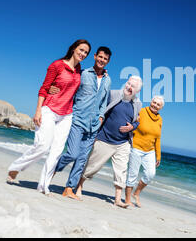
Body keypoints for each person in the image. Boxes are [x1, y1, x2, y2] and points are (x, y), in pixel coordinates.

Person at [6, 39, 91, 195]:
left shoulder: (80, 70)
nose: (83, 54)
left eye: (86, 52)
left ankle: (44, 185)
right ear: (73, 49)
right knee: (43, 145)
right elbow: (44, 88)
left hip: (66, 114)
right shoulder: (57, 65)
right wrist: (38, 110)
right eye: (81, 50)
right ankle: (15, 168)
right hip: (49, 109)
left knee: (57, 151)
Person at [53, 46, 112, 200]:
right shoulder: (84, 74)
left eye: (105, 59)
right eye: (100, 57)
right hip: (78, 119)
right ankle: (52, 169)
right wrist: (54, 90)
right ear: (94, 56)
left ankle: (69, 189)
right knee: (72, 153)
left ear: (108, 61)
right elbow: (70, 90)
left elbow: (104, 103)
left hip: (94, 126)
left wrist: (101, 118)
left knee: (82, 159)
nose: (102, 60)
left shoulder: (108, 80)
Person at [76, 75, 142, 207]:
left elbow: (137, 121)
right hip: (104, 139)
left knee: (121, 171)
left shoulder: (137, 104)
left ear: (137, 91)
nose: (128, 87)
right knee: (92, 166)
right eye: (128, 84)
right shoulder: (113, 94)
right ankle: (79, 187)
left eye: (132, 87)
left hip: (123, 143)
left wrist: (132, 127)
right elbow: (99, 109)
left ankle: (117, 200)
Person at [124, 96, 164, 207]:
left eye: (158, 104)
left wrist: (158, 156)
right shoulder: (141, 111)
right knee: (133, 174)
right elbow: (131, 123)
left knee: (150, 174)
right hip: (136, 147)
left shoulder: (160, 120)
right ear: (150, 101)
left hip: (150, 151)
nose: (155, 105)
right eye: (154, 102)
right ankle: (127, 199)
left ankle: (136, 193)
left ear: (160, 108)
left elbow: (158, 138)